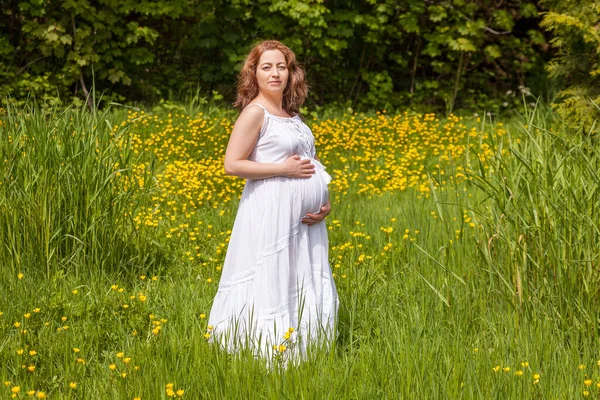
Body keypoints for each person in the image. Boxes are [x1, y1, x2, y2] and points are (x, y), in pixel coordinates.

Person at [206, 40, 339, 363]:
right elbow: (232, 164)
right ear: (255, 73)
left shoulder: (291, 115)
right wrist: (282, 169)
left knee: (299, 274)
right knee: (273, 273)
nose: (275, 73)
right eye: (267, 67)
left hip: (304, 221)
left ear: (291, 73)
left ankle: (307, 347)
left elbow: (311, 161)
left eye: (281, 66)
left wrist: (325, 201)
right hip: (270, 211)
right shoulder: (255, 113)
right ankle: (268, 351)